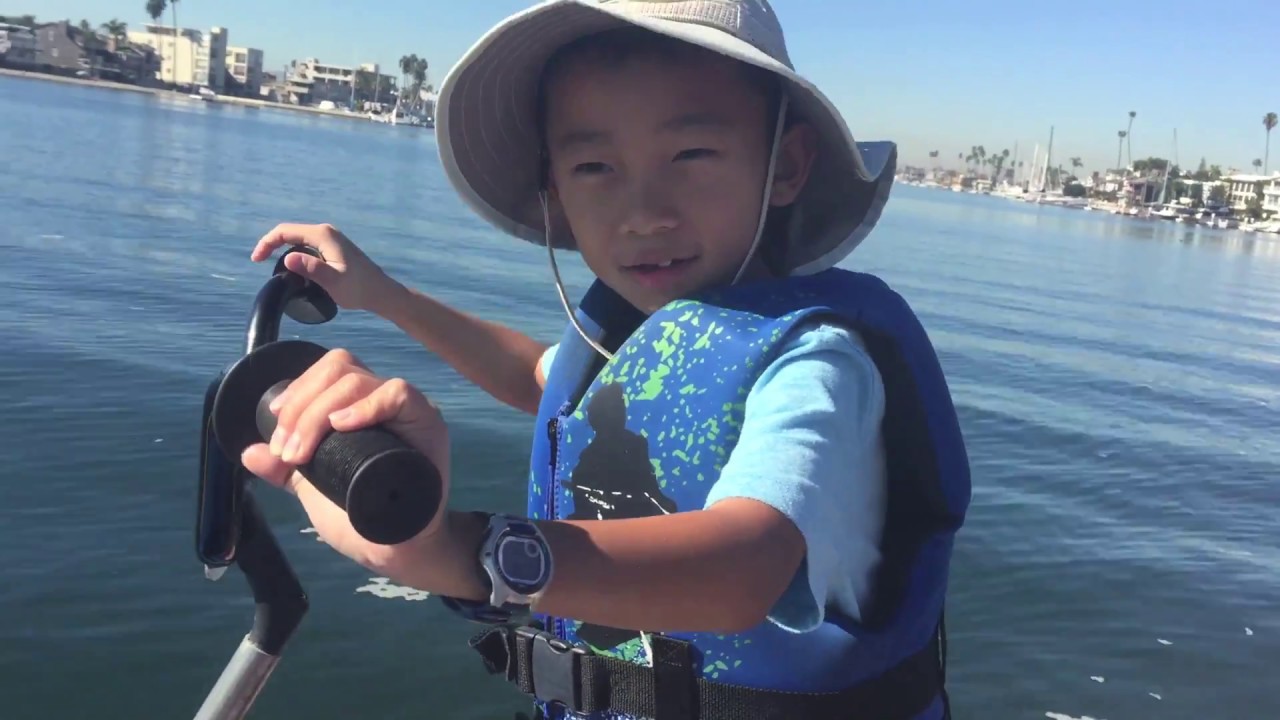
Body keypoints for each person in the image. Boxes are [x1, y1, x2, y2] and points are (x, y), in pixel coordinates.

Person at [242, 1, 971, 719]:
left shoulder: (816, 366)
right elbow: (534, 375)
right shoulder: (636, 336)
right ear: (554, 190)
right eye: (595, 166)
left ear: (785, 166)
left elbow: (744, 567)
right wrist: (384, 295)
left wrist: (459, 551)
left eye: (691, 155)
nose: (643, 213)